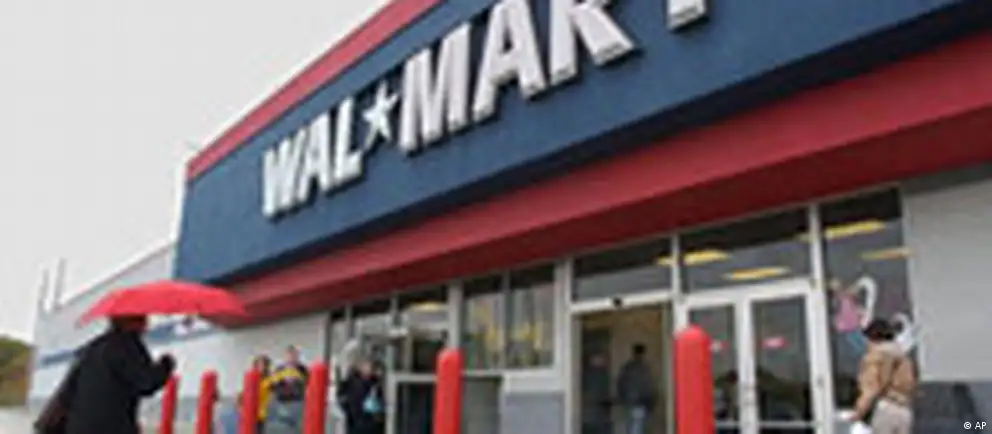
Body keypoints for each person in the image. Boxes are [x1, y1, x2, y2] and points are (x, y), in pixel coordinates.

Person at [65, 315, 175, 434]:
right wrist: (165, 366)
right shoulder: (127, 346)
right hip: (111, 426)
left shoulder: (94, 346)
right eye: (141, 318)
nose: (146, 323)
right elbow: (146, 382)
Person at [851, 319, 917, 434]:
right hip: (904, 409)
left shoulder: (876, 356)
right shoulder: (903, 357)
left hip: (885, 407)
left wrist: (859, 411)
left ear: (870, 338)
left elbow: (871, 388)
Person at [337, 357, 385, 434]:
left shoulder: (375, 383)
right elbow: (343, 400)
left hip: (371, 425)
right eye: (366, 364)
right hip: (357, 423)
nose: (369, 368)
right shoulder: (351, 382)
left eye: (371, 365)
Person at [617, 344, 656, 434]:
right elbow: (648, 386)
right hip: (641, 402)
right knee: (638, 427)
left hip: (630, 403)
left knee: (632, 427)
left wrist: (623, 399)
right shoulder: (644, 368)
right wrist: (652, 402)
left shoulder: (628, 367)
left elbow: (621, 384)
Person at [268, 345, 309, 429]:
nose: (292, 358)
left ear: (297, 356)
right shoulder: (279, 369)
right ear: (285, 356)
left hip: (297, 400)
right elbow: (272, 385)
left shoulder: (303, 369)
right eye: (290, 355)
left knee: (297, 424)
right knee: (282, 422)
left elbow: (308, 383)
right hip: (282, 400)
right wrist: (278, 382)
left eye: (294, 355)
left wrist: (299, 381)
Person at [582, 353, 613, 434]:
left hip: (588, 415)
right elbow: (602, 394)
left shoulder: (585, 374)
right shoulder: (602, 374)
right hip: (598, 414)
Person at [254, 355, 273, 433]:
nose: (261, 368)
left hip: (264, 414)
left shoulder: (270, 379)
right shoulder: (251, 378)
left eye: (263, 365)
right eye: (259, 365)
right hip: (252, 413)